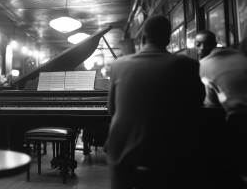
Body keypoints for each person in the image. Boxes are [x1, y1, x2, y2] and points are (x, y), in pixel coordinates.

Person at [104, 15, 205, 189]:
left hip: (121, 154)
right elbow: (197, 103)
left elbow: (111, 110)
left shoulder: (118, 65)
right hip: (168, 156)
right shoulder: (188, 64)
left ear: (142, 38)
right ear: (167, 39)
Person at [199, 39, 247, 188]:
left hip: (237, 131)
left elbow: (211, 108)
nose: (201, 48)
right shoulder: (241, 59)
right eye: (198, 44)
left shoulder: (203, 66)